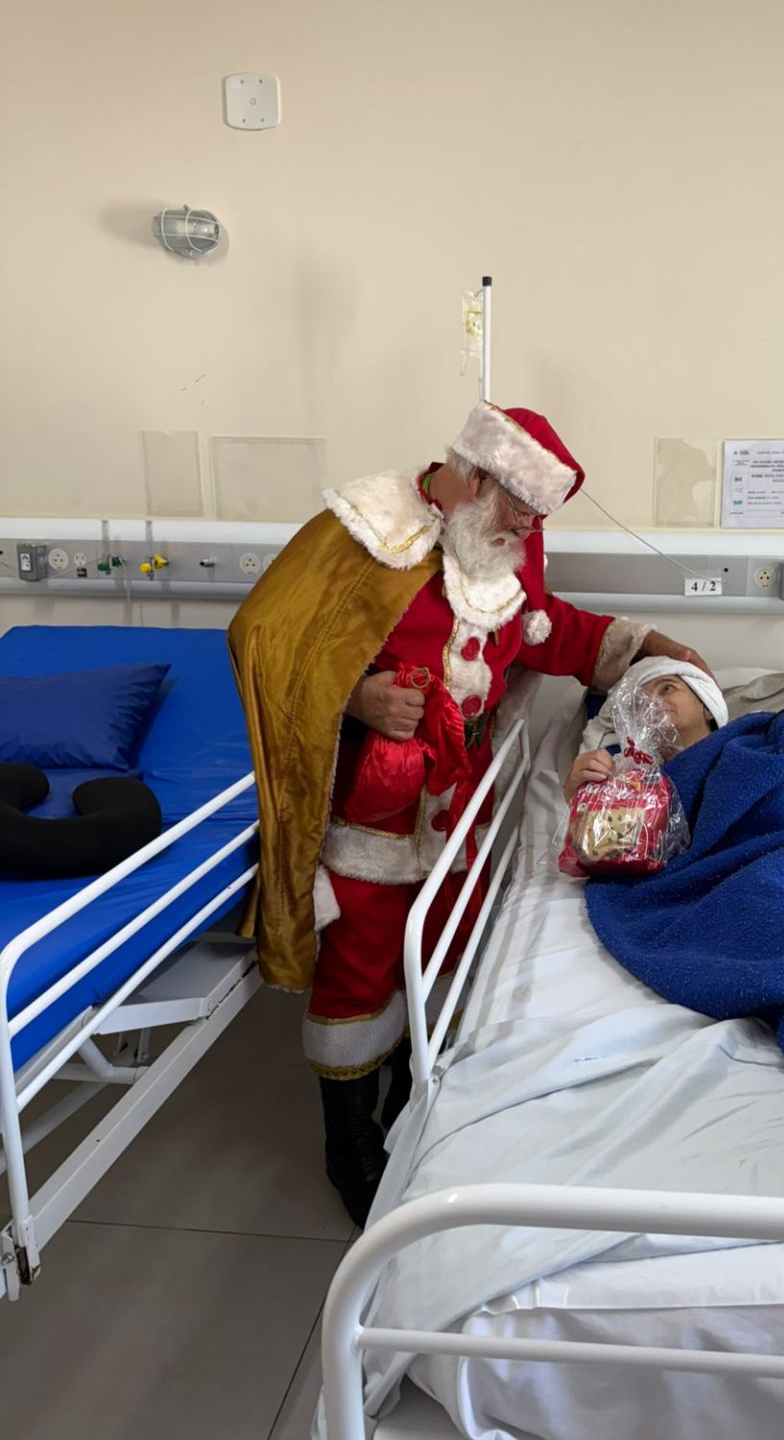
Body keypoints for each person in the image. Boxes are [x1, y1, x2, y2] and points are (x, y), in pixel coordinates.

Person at [227, 401, 710, 1226]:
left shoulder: (500, 548)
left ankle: (412, 1104)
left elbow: (546, 631)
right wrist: (358, 697)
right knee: (359, 966)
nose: (529, 528)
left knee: (442, 952)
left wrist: (648, 646)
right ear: (476, 476)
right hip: (374, 806)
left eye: (538, 515)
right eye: (522, 506)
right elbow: (266, 643)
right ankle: (349, 1142)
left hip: (463, 806)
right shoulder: (363, 531)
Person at [564, 657, 727, 803]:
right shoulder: (626, 783)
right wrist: (577, 796)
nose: (651, 702)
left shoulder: (736, 752)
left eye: (667, 688)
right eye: (639, 701)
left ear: (708, 707)